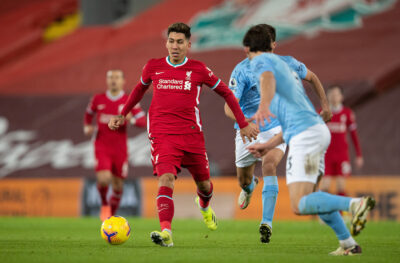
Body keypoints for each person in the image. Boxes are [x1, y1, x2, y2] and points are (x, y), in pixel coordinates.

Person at [108, 22, 258, 247]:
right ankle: (166, 233)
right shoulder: (153, 66)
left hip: (191, 135)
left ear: (188, 44)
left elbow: (226, 92)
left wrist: (243, 123)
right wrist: (123, 114)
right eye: (171, 41)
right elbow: (139, 89)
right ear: (166, 43)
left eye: (179, 42)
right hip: (162, 134)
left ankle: (204, 207)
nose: (174, 46)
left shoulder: (198, 69)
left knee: (205, 186)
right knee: (166, 179)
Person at [245, 25, 375, 255]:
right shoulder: (287, 69)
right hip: (313, 132)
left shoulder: (261, 62)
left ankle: (355, 205)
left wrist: (263, 105)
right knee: (313, 197)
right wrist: (266, 146)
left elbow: (265, 77)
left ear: (248, 48)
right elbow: (289, 125)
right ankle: (348, 244)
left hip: (306, 137)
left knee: (299, 204)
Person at [224, 24, 331, 243]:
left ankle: (266, 223)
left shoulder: (289, 63)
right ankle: (250, 186)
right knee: (243, 181)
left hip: (276, 127)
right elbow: (228, 107)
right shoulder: (242, 70)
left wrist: (326, 106)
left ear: (274, 45)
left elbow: (312, 77)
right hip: (247, 130)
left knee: (270, 164)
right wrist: (244, 123)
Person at [84, 69, 146, 221]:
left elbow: (143, 122)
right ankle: (105, 205)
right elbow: (88, 114)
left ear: (123, 81)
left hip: (120, 148)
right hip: (102, 145)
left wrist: (130, 119)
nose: (113, 80)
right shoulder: (98, 99)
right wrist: (87, 126)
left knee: (118, 185)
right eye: (111, 77)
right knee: (104, 178)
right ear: (107, 80)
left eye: (117, 77)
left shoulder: (128, 100)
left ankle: (111, 215)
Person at [320, 85, 363, 197]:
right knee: (324, 186)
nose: (334, 97)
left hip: (342, 155)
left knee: (341, 186)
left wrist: (358, 154)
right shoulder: (321, 112)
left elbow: (354, 135)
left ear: (341, 97)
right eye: (331, 94)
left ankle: (340, 214)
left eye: (336, 94)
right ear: (327, 96)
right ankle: (324, 214)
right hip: (326, 155)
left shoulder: (347, 113)